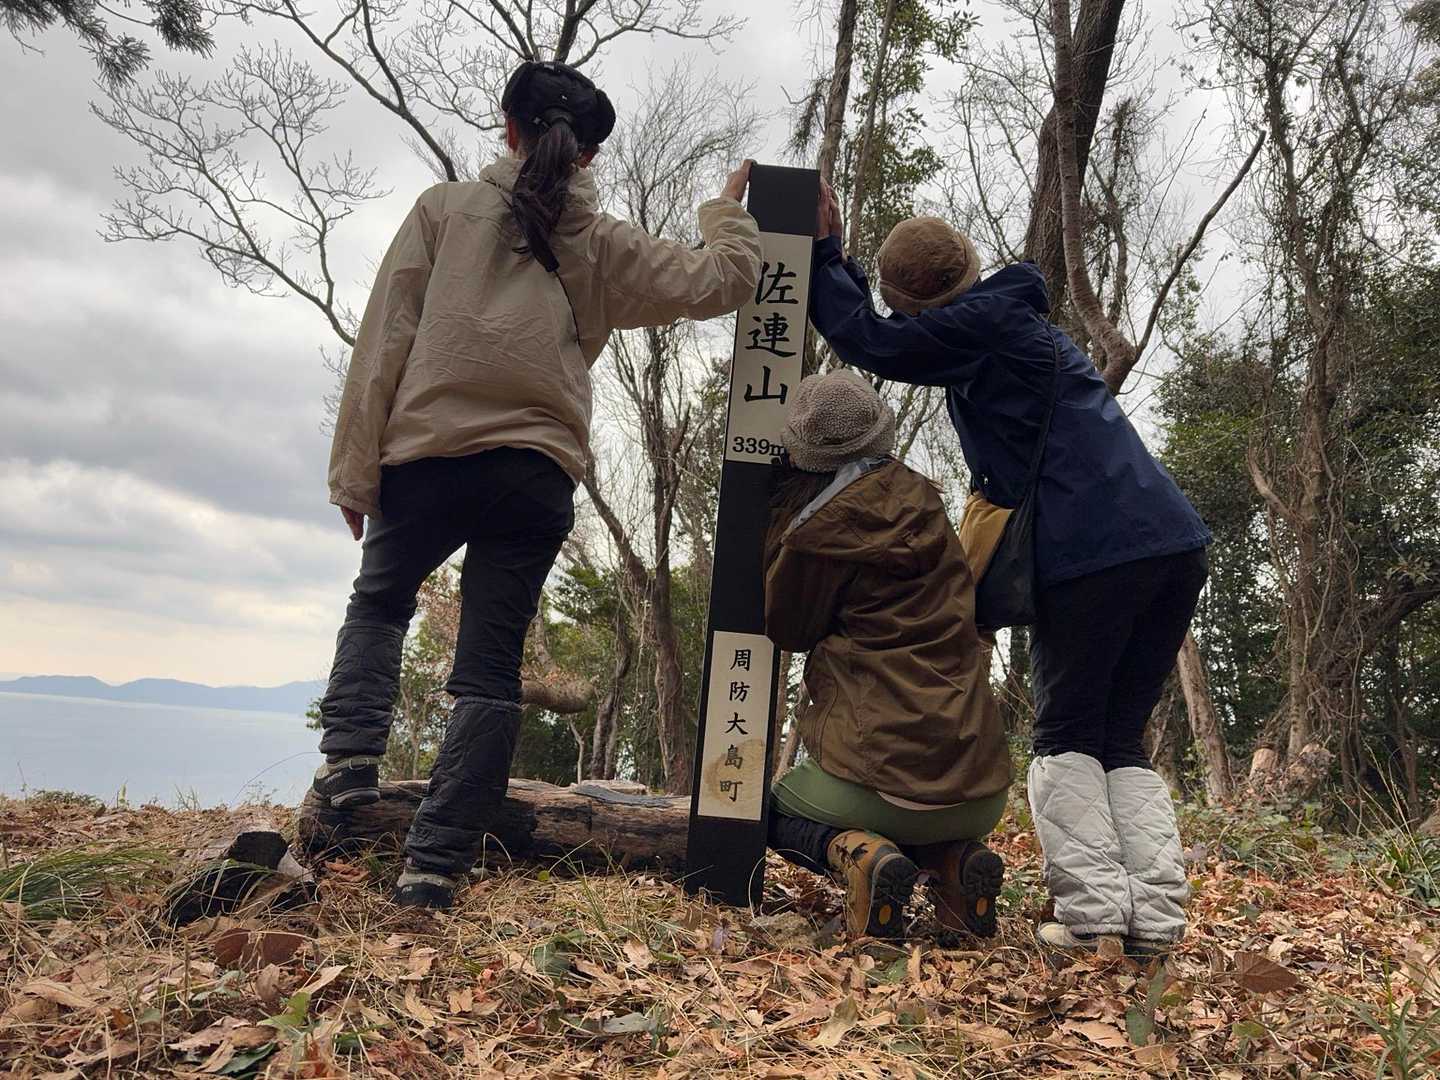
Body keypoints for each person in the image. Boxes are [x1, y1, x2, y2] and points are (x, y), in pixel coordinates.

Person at [313, 60, 762, 910]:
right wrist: (724, 211)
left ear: (509, 127)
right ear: (589, 154)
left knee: (380, 603)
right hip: (534, 470)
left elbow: (384, 341)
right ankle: (433, 868)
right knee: (488, 668)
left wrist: (355, 469)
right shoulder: (602, 243)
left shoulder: (443, 211)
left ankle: (349, 771)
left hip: (426, 454)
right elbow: (723, 281)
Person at [807, 188, 1209, 956]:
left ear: (917, 302)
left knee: (1065, 735)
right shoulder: (1009, 319)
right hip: (1170, 542)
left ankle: (1094, 919)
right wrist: (846, 266)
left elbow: (876, 343)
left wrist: (826, 256)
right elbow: (894, 334)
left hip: (1095, 552)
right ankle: (1154, 922)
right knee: (1118, 737)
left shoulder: (984, 328)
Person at [764, 369, 1012, 943]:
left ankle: (862, 856)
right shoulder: (929, 506)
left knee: (772, 812)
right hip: (979, 787)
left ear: (805, 455)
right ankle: (955, 864)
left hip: (878, 774)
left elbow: (789, 629)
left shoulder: (816, 532)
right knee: (923, 815)